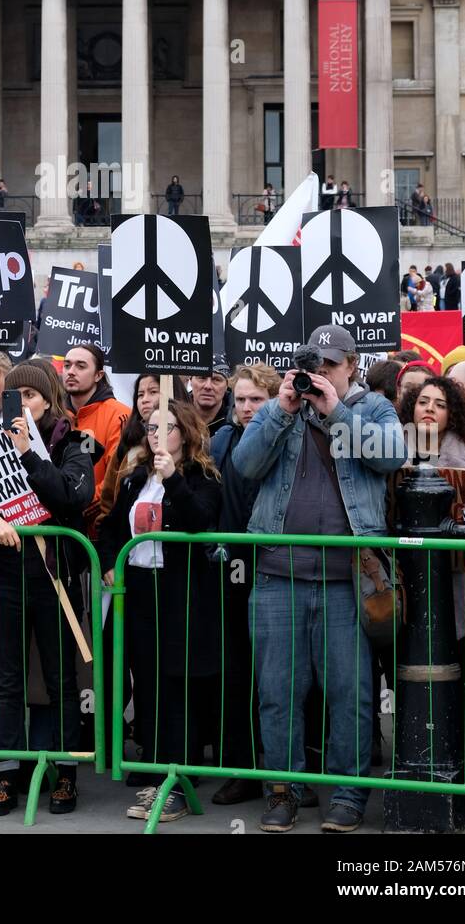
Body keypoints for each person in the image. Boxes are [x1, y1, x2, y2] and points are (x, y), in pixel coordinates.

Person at [235, 324, 405, 833]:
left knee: (349, 693)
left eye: (331, 364)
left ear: (352, 365)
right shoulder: (282, 407)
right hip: (277, 575)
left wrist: (336, 411)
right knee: (277, 691)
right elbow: (245, 464)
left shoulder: (372, 409)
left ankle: (349, 796)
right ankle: (283, 792)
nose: (321, 374)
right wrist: (283, 408)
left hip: (346, 580)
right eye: (315, 365)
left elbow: (391, 455)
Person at [0, 363, 94, 817]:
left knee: (61, 681)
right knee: (7, 681)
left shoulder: (71, 445)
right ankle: (6, 774)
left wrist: (30, 455)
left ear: (48, 400)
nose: (23, 405)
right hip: (5, 578)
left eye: (31, 396)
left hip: (55, 580)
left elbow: (73, 497)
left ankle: (65, 774)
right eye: (15, 397)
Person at [98, 399, 222, 824]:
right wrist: (112, 561)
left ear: (185, 434)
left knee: (177, 685)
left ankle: (179, 780)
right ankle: (155, 772)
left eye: (164, 428)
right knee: (147, 682)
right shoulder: (135, 479)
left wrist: (174, 481)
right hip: (139, 592)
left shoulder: (202, 477)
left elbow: (199, 521)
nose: (154, 435)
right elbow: (111, 526)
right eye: (149, 428)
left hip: (180, 593)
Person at [209, 363, 280, 806]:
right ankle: (241, 768)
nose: (247, 408)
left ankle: (286, 774)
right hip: (230, 572)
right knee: (235, 674)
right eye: (241, 400)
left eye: (256, 399)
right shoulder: (221, 440)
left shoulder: (286, 439)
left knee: (280, 679)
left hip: (277, 569)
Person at [397, 377, 465, 639]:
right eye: (423, 402)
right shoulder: (389, 452)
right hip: (403, 569)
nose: (429, 409)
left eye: (440, 404)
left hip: (457, 575)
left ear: (452, 415)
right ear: (411, 409)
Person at [98, 373, 189, 518]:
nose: (145, 400)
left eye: (153, 392)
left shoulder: (192, 450)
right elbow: (108, 499)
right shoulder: (127, 444)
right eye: (140, 395)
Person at [62, 344, 129, 530]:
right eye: (67, 365)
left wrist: (77, 505)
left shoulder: (119, 415)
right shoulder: (55, 415)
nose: (71, 372)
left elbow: (116, 477)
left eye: (81, 366)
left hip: (98, 530)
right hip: (61, 531)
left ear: (98, 375)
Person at [187, 360, 231, 437]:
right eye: (202, 377)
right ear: (190, 381)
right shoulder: (176, 416)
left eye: (216, 379)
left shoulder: (235, 421)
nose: (208, 386)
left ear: (227, 385)